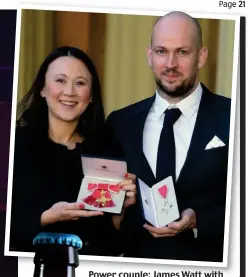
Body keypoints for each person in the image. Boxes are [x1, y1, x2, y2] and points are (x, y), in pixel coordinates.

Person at [105, 12, 231, 262]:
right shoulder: (120, 123)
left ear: (201, 56)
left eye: (182, 52)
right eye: (162, 51)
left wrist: (199, 220)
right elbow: (107, 211)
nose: (170, 63)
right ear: (149, 55)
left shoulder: (236, 117)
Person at [9, 46, 136, 256]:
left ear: (91, 95)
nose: (69, 91)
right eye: (60, 80)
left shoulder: (107, 149)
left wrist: (121, 210)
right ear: (42, 88)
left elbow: (114, 234)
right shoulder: (14, 144)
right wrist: (45, 218)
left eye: (80, 83)